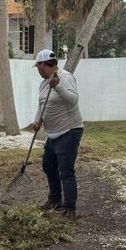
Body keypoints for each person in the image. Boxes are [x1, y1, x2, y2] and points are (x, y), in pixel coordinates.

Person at [30, 48, 83, 220]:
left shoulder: (65, 77)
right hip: (53, 133)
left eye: (38, 66)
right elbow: (42, 104)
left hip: (69, 130)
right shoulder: (44, 82)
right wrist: (37, 120)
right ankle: (55, 200)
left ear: (44, 65)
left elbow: (73, 99)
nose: (38, 70)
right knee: (49, 166)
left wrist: (57, 86)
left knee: (65, 170)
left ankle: (69, 208)